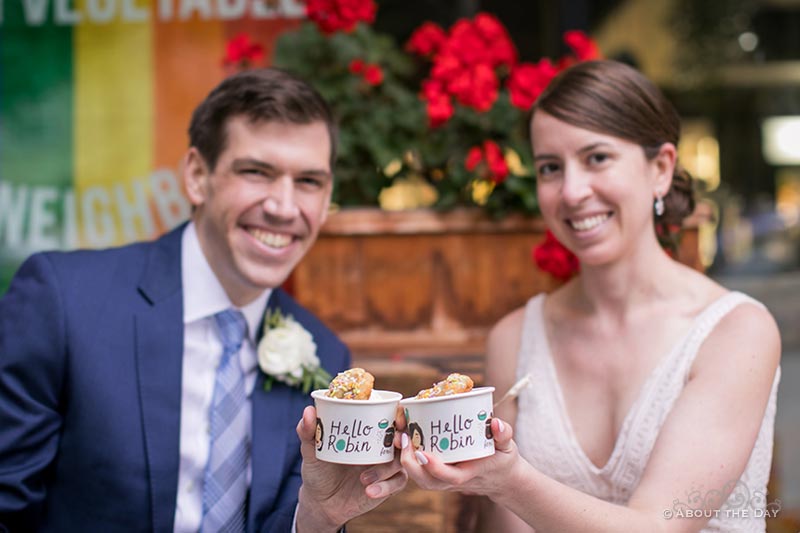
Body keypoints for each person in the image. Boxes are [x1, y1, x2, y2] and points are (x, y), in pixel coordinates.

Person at [0, 68, 406, 532]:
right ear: (197, 176)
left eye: (309, 182)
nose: (283, 207)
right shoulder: (64, 301)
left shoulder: (326, 356)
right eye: (257, 172)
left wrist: (319, 516)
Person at [399, 60, 781, 532]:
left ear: (660, 169)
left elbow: (659, 527)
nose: (573, 191)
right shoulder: (515, 338)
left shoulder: (738, 331)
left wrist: (507, 480)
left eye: (597, 158)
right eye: (550, 168)